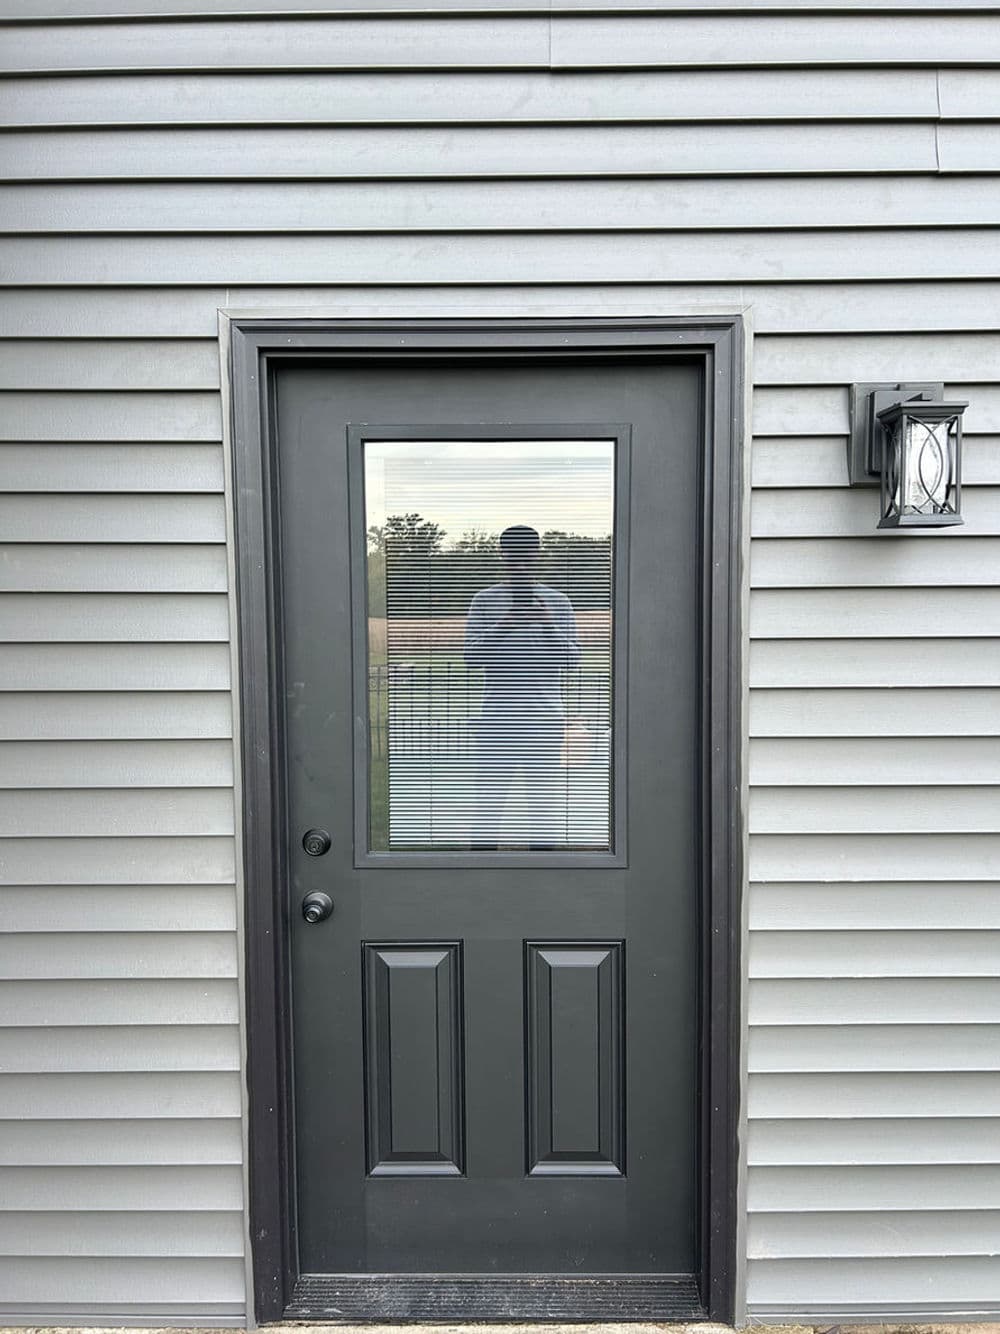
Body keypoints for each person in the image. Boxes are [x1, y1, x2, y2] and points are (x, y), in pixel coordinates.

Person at [463, 525, 580, 849]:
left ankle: (544, 889)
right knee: (487, 810)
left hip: (544, 723)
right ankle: (477, 886)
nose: (522, 566)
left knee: (543, 814)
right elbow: (471, 659)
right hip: (497, 723)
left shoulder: (558, 603)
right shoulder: (484, 601)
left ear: (538, 557)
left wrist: (548, 624)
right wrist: (505, 623)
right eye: (514, 558)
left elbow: (573, 662)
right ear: (503, 556)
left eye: (527, 558)